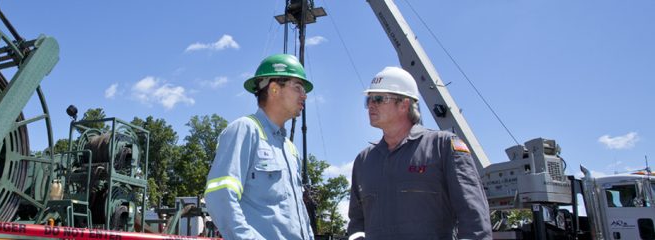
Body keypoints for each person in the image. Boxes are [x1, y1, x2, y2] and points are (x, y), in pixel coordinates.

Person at [346, 66, 491, 240]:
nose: (370, 105)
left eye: (378, 99)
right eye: (368, 100)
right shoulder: (364, 161)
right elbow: (356, 220)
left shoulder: (443, 147)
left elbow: (474, 218)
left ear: (404, 104)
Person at [204, 54, 314, 240]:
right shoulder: (245, 130)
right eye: (297, 87)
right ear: (273, 89)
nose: (304, 95)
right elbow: (220, 197)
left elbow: (300, 214)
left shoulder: (289, 149)